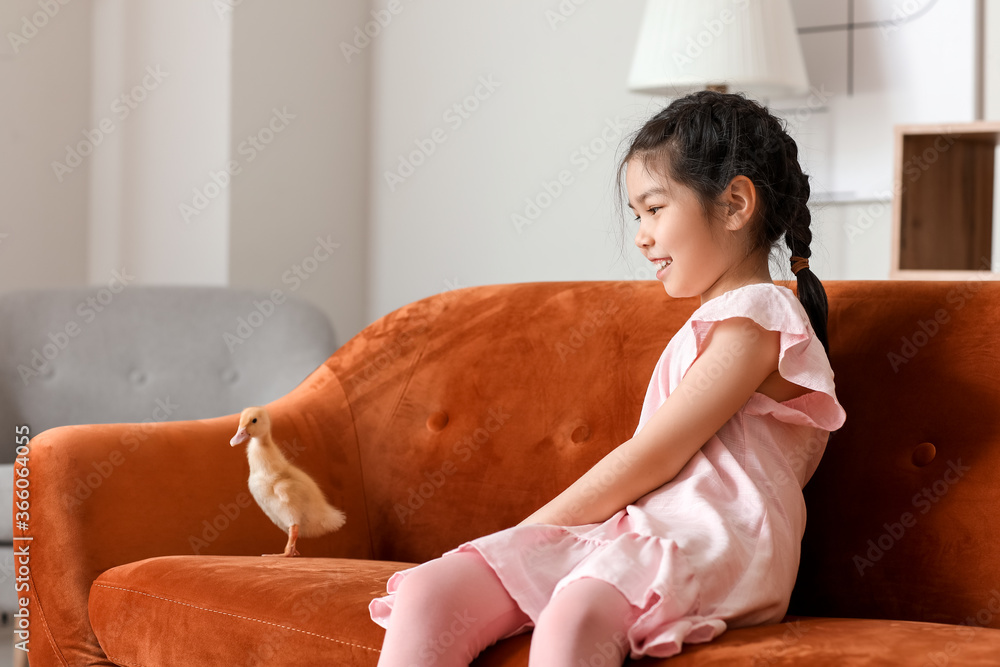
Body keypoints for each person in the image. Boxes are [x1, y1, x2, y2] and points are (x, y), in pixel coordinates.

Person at [368, 90, 847, 666]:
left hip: (719, 538)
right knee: (431, 590)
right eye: (636, 215)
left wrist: (523, 534)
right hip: (645, 528)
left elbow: (655, 456)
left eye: (655, 208)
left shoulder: (760, 318)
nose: (641, 235)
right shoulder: (714, 324)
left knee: (577, 614)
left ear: (734, 204)